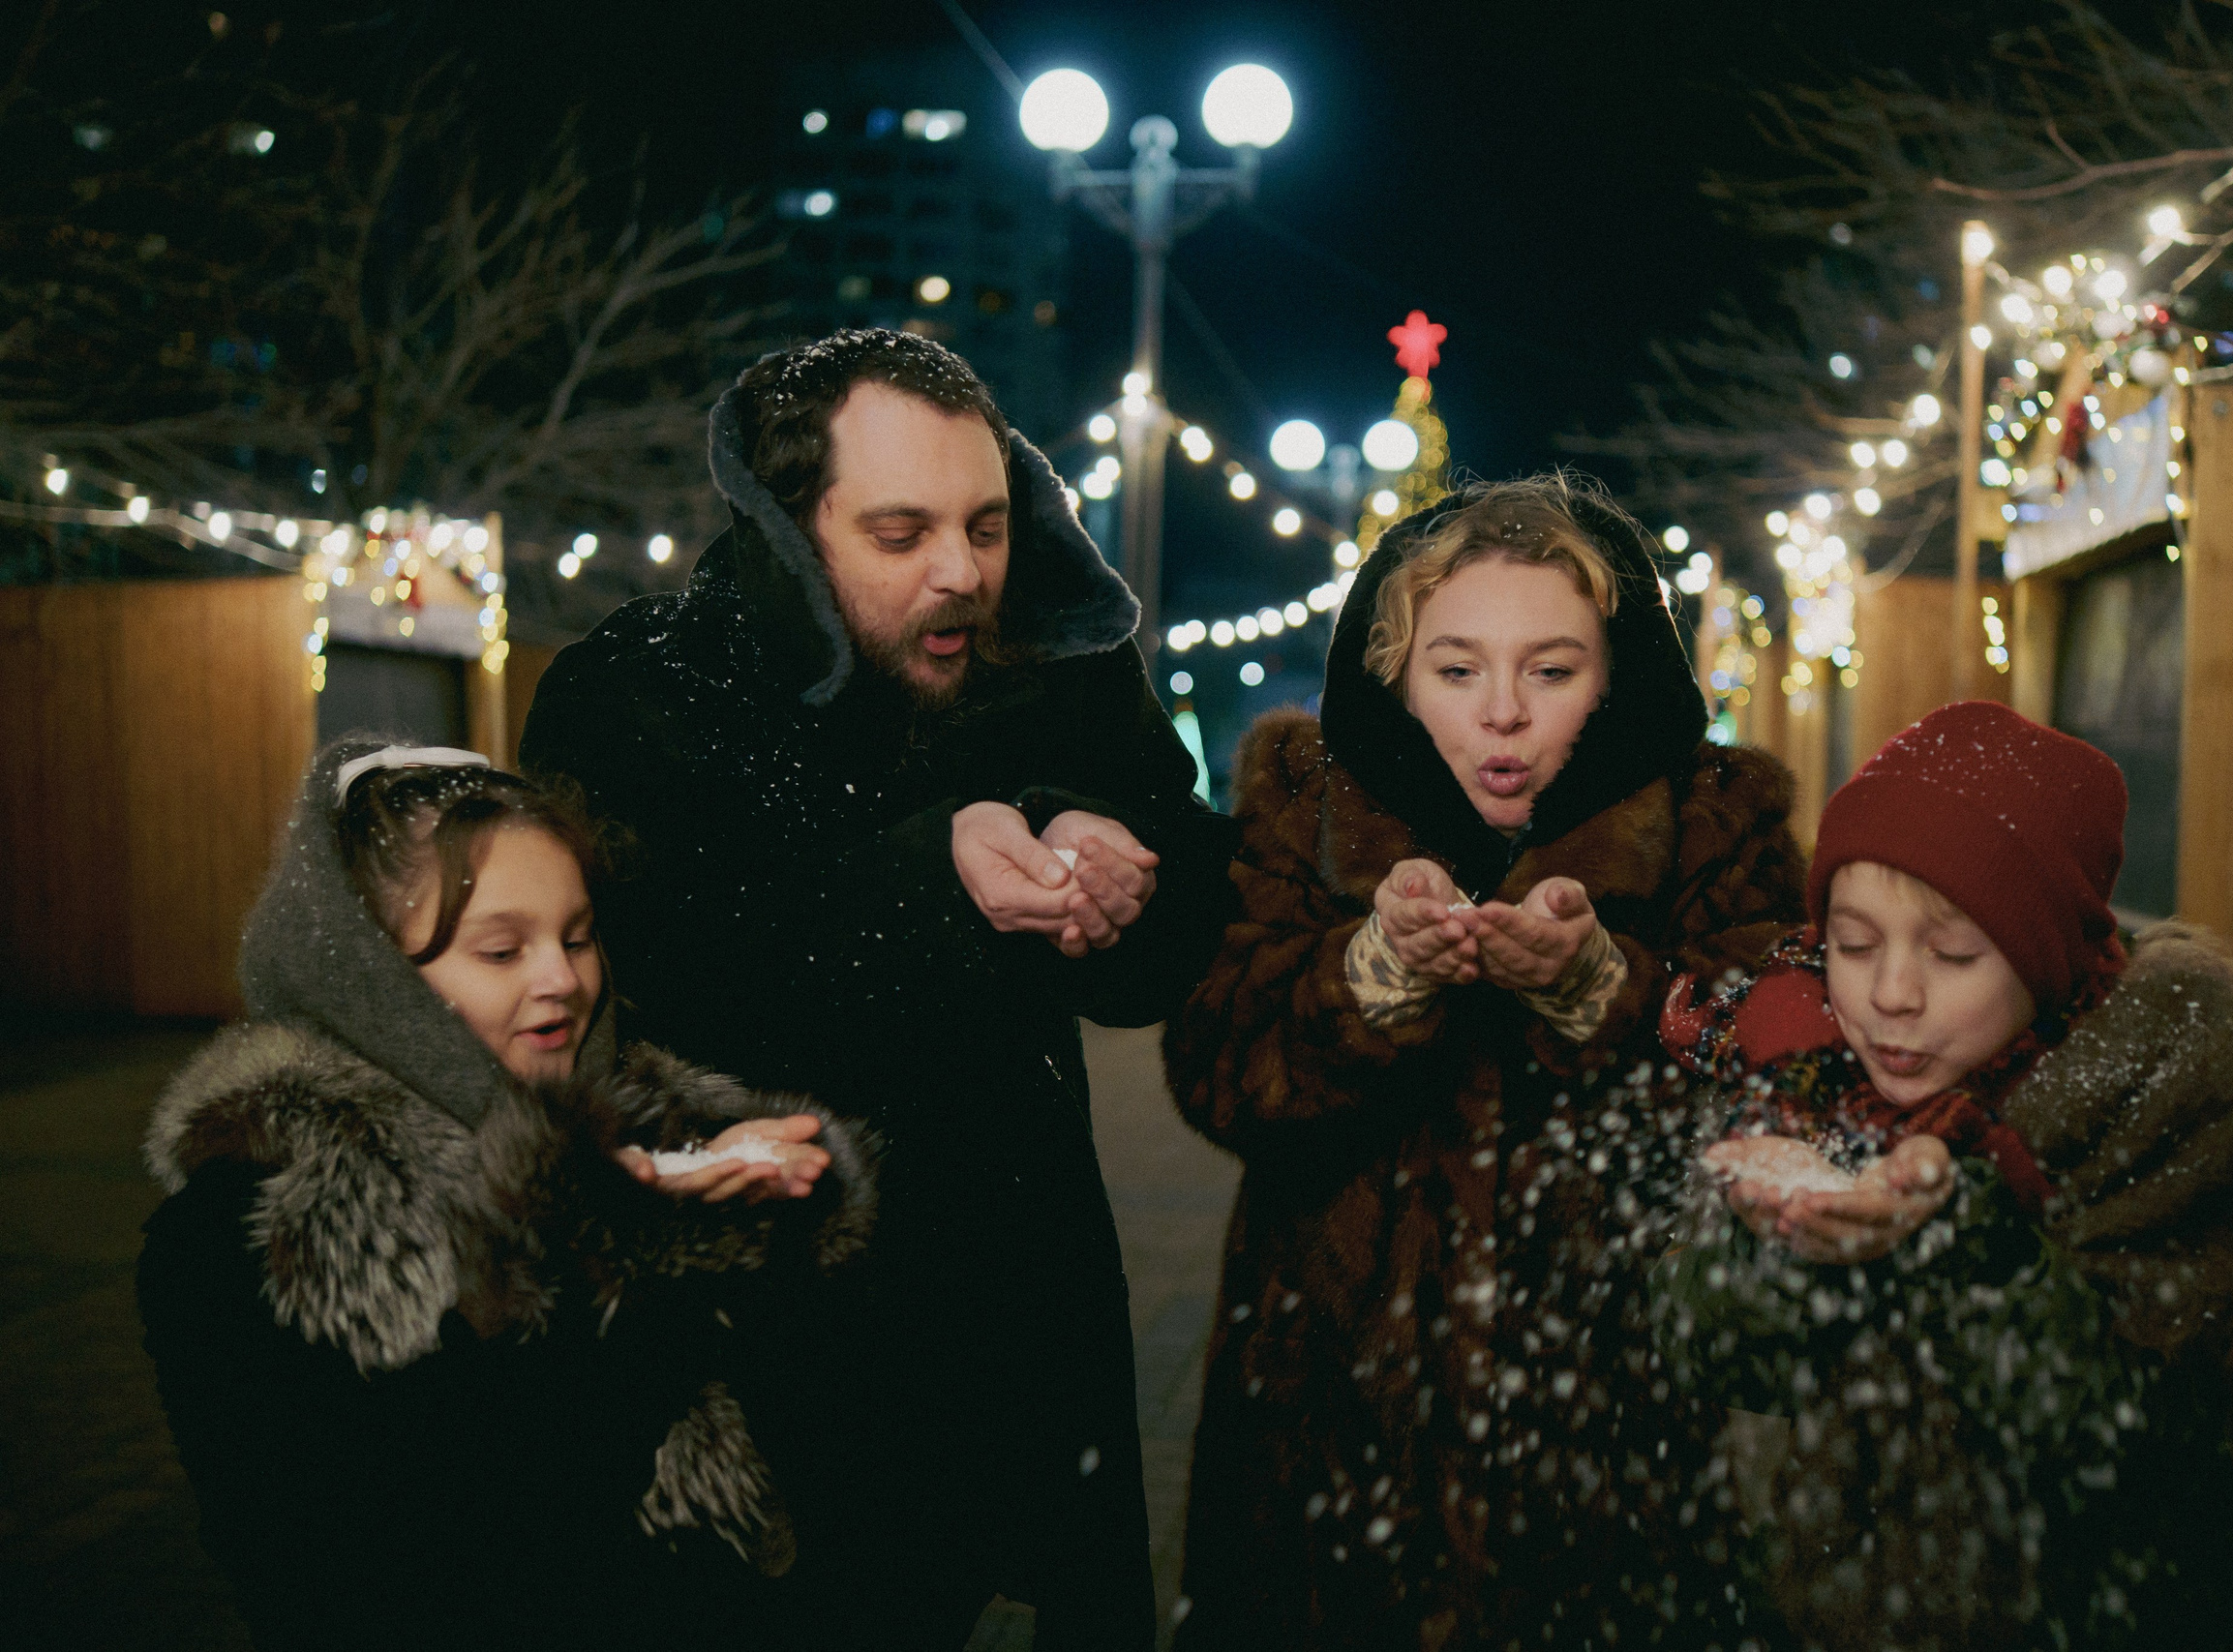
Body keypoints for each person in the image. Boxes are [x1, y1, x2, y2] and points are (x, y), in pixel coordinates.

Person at [519, 329, 1236, 1648]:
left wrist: (1099, 859)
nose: (962, 570)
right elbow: (676, 969)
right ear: (792, 524)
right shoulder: (640, 693)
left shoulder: (1050, 663)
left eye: (984, 522)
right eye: (901, 532)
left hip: (1018, 1323)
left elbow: (1181, 889)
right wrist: (935, 872)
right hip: (757, 1349)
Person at [1161, 475, 1811, 1650]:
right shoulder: (1304, 807)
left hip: (1607, 1429)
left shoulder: (1717, 826)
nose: (1502, 712)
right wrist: (1371, 971)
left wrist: (1597, 990)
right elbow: (1216, 1068)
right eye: (1457, 670)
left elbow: (1780, 1088)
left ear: (1611, 678)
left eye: (1551, 671)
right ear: (1397, 673)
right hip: (1327, 1426)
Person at [136, 738, 878, 1652]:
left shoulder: (649, 1122)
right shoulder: (250, 1231)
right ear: (365, 979)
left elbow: (832, 1449)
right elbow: (382, 1574)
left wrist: (770, 1219)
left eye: (576, 935)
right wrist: (618, 1269)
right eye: (500, 949)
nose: (562, 979)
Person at [1649, 700, 2233, 1649]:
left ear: (2042, 959)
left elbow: (2115, 1429)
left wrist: (1962, 1235)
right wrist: (1779, 1240)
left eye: (1952, 954)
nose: (1890, 994)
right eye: (1855, 944)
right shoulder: (1800, 1065)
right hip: (1820, 1604)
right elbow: (1714, 1354)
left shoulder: (2158, 1092)